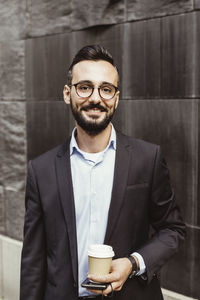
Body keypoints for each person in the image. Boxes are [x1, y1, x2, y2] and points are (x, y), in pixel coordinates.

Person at [20, 45, 186, 300]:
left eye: (106, 89)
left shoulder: (147, 158)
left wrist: (133, 263)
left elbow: (172, 229)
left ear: (116, 98)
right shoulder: (41, 170)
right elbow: (33, 260)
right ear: (67, 93)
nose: (95, 98)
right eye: (85, 87)